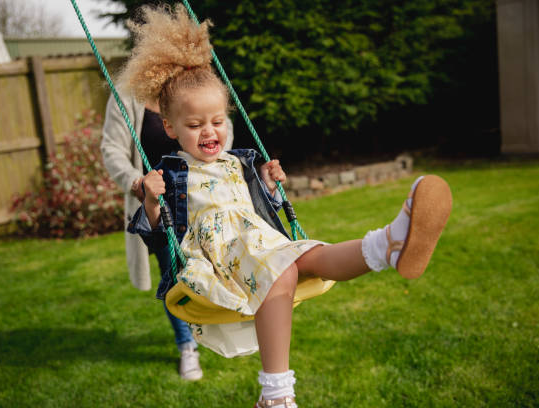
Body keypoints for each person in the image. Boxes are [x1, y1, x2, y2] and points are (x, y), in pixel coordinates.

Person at [122, 5, 452, 407]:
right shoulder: (172, 171)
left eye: (217, 121)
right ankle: (276, 394)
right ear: (171, 128)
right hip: (221, 257)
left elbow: (259, 206)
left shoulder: (240, 161)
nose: (209, 131)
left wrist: (269, 185)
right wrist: (152, 198)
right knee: (281, 272)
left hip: (258, 240)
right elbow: (160, 231)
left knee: (310, 254)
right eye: (194, 125)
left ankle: (389, 244)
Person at [101, 84, 234, 380]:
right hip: (161, 204)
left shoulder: (195, 84)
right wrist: (139, 185)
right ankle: (187, 345)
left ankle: (218, 323)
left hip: (203, 196)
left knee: (216, 265)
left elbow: (221, 128)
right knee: (173, 275)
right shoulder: (126, 96)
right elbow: (112, 149)